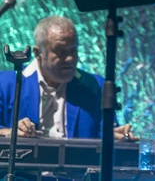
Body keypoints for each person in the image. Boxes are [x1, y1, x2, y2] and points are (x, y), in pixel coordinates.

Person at [0, 15, 137, 140]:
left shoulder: (95, 86)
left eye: (73, 50)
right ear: (38, 53)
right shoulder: (6, 84)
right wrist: (10, 132)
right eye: (61, 51)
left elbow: (102, 133)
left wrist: (114, 136)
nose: (70, 58)